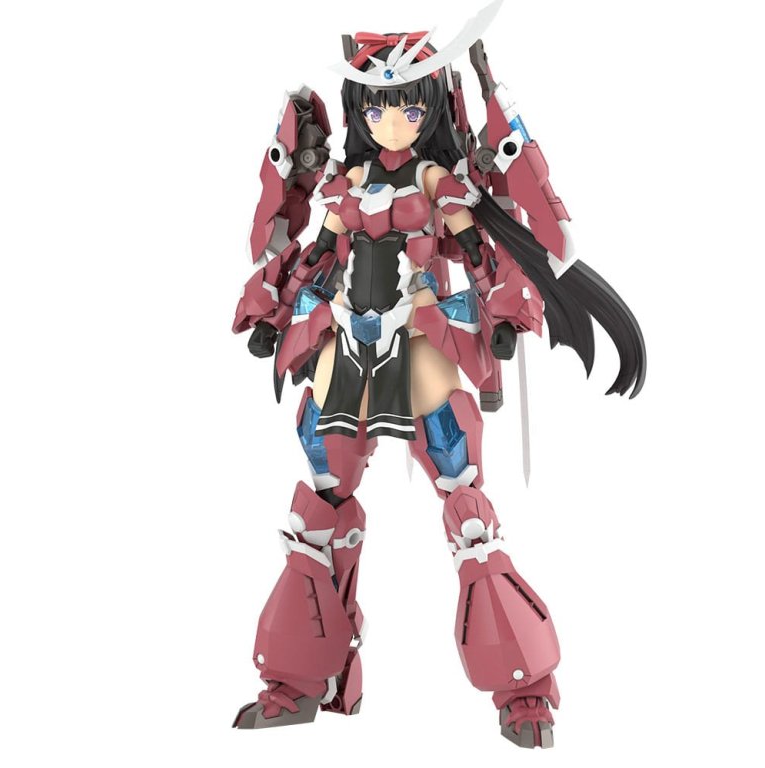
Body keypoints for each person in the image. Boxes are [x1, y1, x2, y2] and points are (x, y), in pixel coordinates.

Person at [230, 2, 645, 749]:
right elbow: (314, 255)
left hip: (420, 340)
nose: (393, 122)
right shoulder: (346, 186)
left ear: (430, 110)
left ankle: (524, 690)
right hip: (345, 350)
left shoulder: (439, 184)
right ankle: (299, 681)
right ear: (361, 110)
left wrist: (508, 309)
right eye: (378, 108)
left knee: (467, 509)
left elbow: (485, 252)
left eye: (408, 108)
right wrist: (272, 309)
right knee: (319, 508)